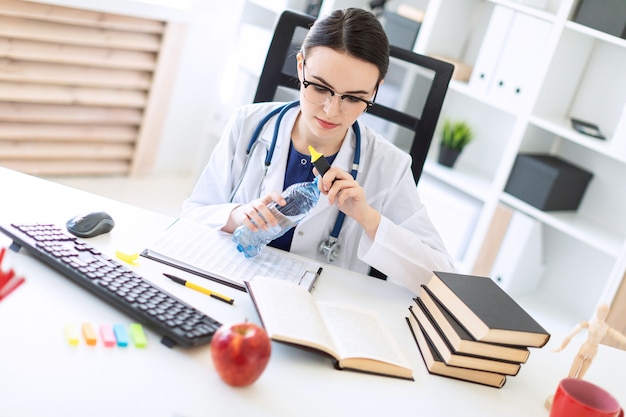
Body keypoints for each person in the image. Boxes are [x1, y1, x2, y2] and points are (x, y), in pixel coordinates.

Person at [182, 8, 454, 294]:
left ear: (376, 89)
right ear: (301, 66)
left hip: (319, 309)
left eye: (353, 98)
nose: (331, 110)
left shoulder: (389, 166)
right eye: (320, 87)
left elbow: (442, 278)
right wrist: (237, 216)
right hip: (231, 286)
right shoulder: (248, 124)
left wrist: (368, 217)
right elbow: (192, 216)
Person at [553, 304, 626, 379]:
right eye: (600, 311)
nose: (602, 314)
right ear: (597, 311)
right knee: (573, 371)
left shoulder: (606, 328)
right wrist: (561, 347)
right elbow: (571, 334)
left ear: (607, 314)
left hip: (593, 350)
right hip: (586, 346)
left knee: (581, 374)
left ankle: (576, 383)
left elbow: (618, 336)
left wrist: (561, 347)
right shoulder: (589, 323)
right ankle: (569, 380)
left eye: (604, 312)